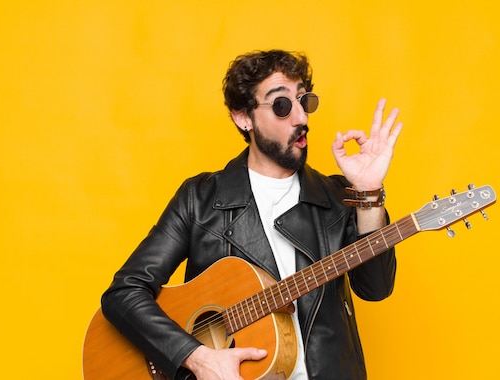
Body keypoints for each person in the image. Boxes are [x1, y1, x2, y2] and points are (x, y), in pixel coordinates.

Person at [101, 49, 403, 380]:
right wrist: (196, 357)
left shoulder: (337, 196)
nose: (300, 117)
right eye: (282, 105)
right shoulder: (199, 200)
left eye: (304, 100)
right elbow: (124, 293)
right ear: (244, 118)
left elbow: (376, 288)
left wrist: (369, 193)